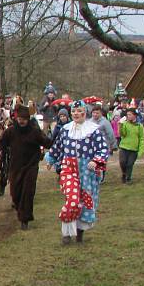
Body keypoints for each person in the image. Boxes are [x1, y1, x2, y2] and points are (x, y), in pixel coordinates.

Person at [45, 100, 109, 244]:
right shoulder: (66, 130)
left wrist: (96, 160)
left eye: (79, 111)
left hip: (87, 171)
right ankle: (66, 234)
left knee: (85, 201)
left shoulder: (93, 130)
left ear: (84, 113)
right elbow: (58, 146)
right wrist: (51, 159)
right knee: (72, 200)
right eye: (73, 111)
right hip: (69, 168)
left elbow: (103, 149)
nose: (76, 114)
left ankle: (80, 233)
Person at [0, 105, 52, 230]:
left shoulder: (34, 131)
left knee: (28, 192)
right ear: (16, 118)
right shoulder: (11, 131)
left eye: (24, 119)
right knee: (15, 193)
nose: (21, 121)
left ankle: (24, 219)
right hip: (15, 166)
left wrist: (57, 138)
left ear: (28, 119)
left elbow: (47, 142)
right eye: (19, 118)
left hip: (31, 166)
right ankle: (19, 207)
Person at [118, 109, 144, 183]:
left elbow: (142, 138)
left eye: (130, 114)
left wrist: (141, 150)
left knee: (130, 164)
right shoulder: (125, 124)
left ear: (134, 115)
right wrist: (120, 126)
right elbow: (122, 134)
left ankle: (128, 178)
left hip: (134, 149)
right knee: (122, 162)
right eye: (127, 115)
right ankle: (124, 173)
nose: (128, 116)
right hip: (124, 147)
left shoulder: (140, 126)